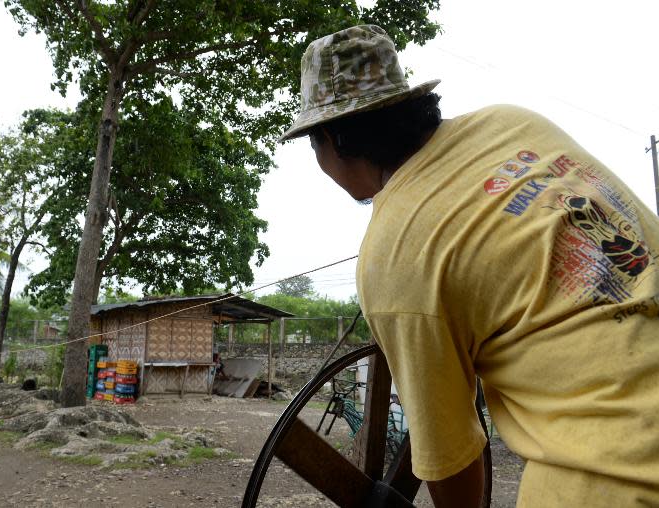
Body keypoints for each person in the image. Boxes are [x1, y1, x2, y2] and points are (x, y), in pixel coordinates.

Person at [280, 24, 659, 507]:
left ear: (333, 138)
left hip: (619, 479)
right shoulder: (516, 123)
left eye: (314, 145)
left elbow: (452, 458)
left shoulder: (394, 252)